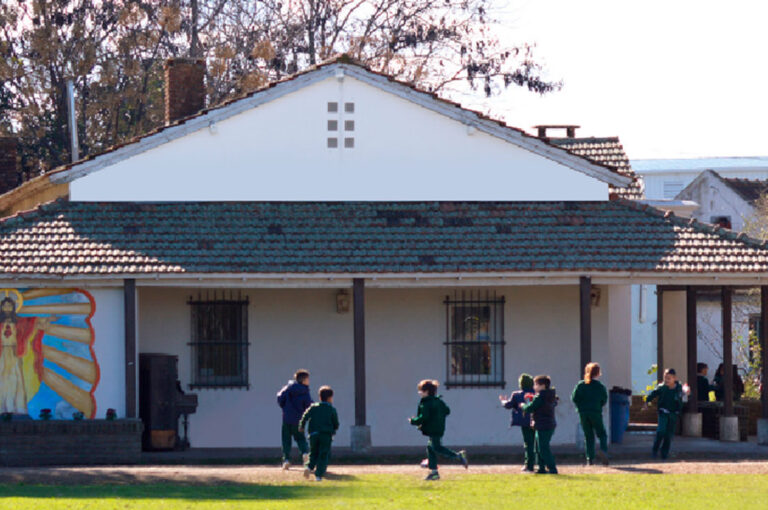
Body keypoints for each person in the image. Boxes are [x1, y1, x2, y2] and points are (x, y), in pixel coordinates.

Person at [409, 379, 468, 481]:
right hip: (439, 428)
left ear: (426, 392)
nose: (419, 393)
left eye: (421, 391)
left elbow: (424, 417)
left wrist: (413, 421)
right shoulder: (439, 401)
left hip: (433, 429)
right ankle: (434, 472)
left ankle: (458, 456)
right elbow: (447, 411)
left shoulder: (426, 403)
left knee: (436, 447)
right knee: (430, 448)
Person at [571, 362, 609, 466]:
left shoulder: (580, 385)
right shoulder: (600, 386)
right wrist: (598, 405)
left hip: (583, 413)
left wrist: (580, 407)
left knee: (588, 435)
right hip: (595, 412)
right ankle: (603, 451)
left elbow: (574, 398)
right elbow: (604, 399)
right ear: (598, 373)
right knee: (601, 434)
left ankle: (590, 459)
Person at [645, 368, 687, 460]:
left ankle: (664, 452)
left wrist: (686, 393)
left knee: (669, 434)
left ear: (674, 378)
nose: (667, 380)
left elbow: (684, 395)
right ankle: (655, 450)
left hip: (673, 413)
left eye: (669, 378)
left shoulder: (679, 388)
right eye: (665, 378)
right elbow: (653, 394)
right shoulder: (662, 387)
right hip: (663, 412)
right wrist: (647, 402)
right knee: (661, 431)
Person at [299, 385, 339, 481]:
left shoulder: (313, 407)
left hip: (313, 434)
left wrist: (302, 425)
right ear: (330, 398)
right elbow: (336, 423)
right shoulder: (331, 409)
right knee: (323, 454)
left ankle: (308, 467)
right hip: (326, 435)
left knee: (313, 453)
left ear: (320, 397)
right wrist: (334, 429)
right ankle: (318, 475)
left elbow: (305, 416)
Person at [520, 375, 558, 474]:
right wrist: (533, 397)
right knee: (538, 448)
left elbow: (530, 408)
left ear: (543, 386)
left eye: (536, 384)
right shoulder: (549, 395)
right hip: (547, 425)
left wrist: (523, 405)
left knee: (543, 448)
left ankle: (552, 468)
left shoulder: (540, 396)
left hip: (543, 425)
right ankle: (541, 468)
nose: (534, 387)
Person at [276, 369, 313, 469]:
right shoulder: (305, 391)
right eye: (308, 379)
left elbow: (280, 398)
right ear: (304, 380)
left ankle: (286, 459)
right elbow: (309, 405)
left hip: (287, 418)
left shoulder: (288, 388)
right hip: (299, 420)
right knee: (300, 438)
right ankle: (305, 453)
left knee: (286, 440)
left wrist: (285, 408)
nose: (309, 381)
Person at [499, 373, 536, 472]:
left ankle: (529, 464)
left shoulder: (517, 395)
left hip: (524, 421)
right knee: (537, 443)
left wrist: (503, 401)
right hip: (537, 420)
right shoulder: (536, 393)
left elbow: (508, 405)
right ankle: (540, 464)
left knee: (528, 443)